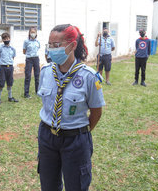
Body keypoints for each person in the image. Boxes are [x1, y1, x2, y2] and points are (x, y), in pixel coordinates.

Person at [37, 24, 105, 191]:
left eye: (57, 45)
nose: (52, 50)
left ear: (72, 45)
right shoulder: (45, 71)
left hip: (75, 139)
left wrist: (80, 131)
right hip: (47, 136)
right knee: (48, 184)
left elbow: (96, 111)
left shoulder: (89, 76)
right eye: (50, 45)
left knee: (76, 185)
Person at [0, 32, 19, 106]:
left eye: (8, 38)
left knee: (10, 82)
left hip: (10, 67)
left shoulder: (12, 49)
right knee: (1, 82)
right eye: (5, 39)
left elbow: (13, 57)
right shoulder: (0, 48)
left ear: (10, 39)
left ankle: (10, 97)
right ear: (2, 40)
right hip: (3, 67)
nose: (6, 40)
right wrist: (3, 63)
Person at [23, 27, 40, 98]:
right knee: (28, 76)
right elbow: (24, 51)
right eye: (31, 32)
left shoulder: (37, 42)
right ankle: (26, 93)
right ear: (29, 33)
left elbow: (38, 49)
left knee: (37, 76)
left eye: (34, 32)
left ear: (36, 33)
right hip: (29, 59)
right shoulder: (26, 41)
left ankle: (38, 91)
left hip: (36, 59)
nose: (33, 34)